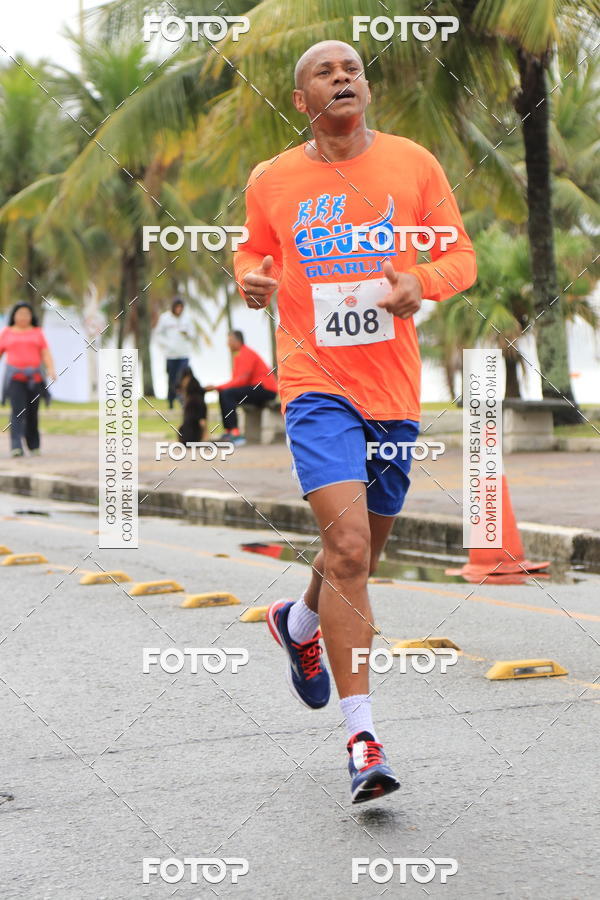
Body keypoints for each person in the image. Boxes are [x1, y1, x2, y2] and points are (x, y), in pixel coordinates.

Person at [234, 41, 477, 803]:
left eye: (353, 69)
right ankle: (362, 739)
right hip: (314, 384)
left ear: (364, 88)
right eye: (325, 71)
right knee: (345, 549)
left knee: (357, 559)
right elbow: (253, 253)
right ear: (302, 100)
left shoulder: (412, 163)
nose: (343, 76)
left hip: (392, 394)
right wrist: (250, 280)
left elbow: (461, 257)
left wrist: (420, 282)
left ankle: (299, 623)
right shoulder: (272, 178)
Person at [0, 302, 56, 457]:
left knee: (32, 413)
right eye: (20, 313)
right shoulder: (7, 333)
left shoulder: (37, 332)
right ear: (14, 316)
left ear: (31, 316)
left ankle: (34, 445)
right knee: (17, 412)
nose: (23, 317)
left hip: (34, 379)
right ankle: (16, 446)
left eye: (26, 314)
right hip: (15, 379)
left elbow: (45, 353)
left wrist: (51, 369)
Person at [204, 330, 277, 446]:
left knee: (227, 393)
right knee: (224, 393)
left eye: (230, 340)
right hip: (256, 388)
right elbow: (237, 381)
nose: (227, 344)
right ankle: (229, 431)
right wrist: (219, 388)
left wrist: (216, 387)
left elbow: (241, 381)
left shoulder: (246, 353)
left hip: (266, 389)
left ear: (237, 341)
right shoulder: (239, 356)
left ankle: (235, 433)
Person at [154, 298, 195, 408]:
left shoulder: (187, 318)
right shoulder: (165, 318)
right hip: (170, 355)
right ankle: (171, 401)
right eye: (177, 307)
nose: (179, 309)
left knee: (183, 378)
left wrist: (187, 334)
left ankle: (182, 400)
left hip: (184, 354)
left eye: (181, 307)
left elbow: (193, 334)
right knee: (171, 378)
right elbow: (158, 334)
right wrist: (167, 344)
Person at [176, 366, 207, 444]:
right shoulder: (198, 399)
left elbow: (202, 422)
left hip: (188, 438)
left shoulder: (192, 401)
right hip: (194, 438)